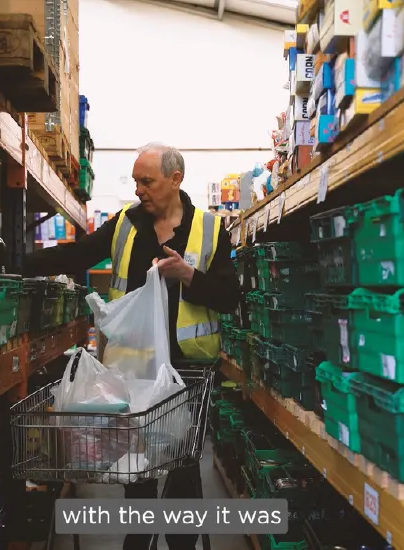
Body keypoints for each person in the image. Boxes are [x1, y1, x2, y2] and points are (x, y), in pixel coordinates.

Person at [23, 142, 241, 550]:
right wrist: (17, 263)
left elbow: (230, 295)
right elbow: (79, 254)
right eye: (136, 180)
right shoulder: (125, 223)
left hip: (187, 370)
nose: (139, 189)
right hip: (133, 369)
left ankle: (182, 544)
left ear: (175, 180)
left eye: (147, 181)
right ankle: (136, 542)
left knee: (183, 468)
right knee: (135, 466)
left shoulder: (210, 229)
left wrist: (188, 275)